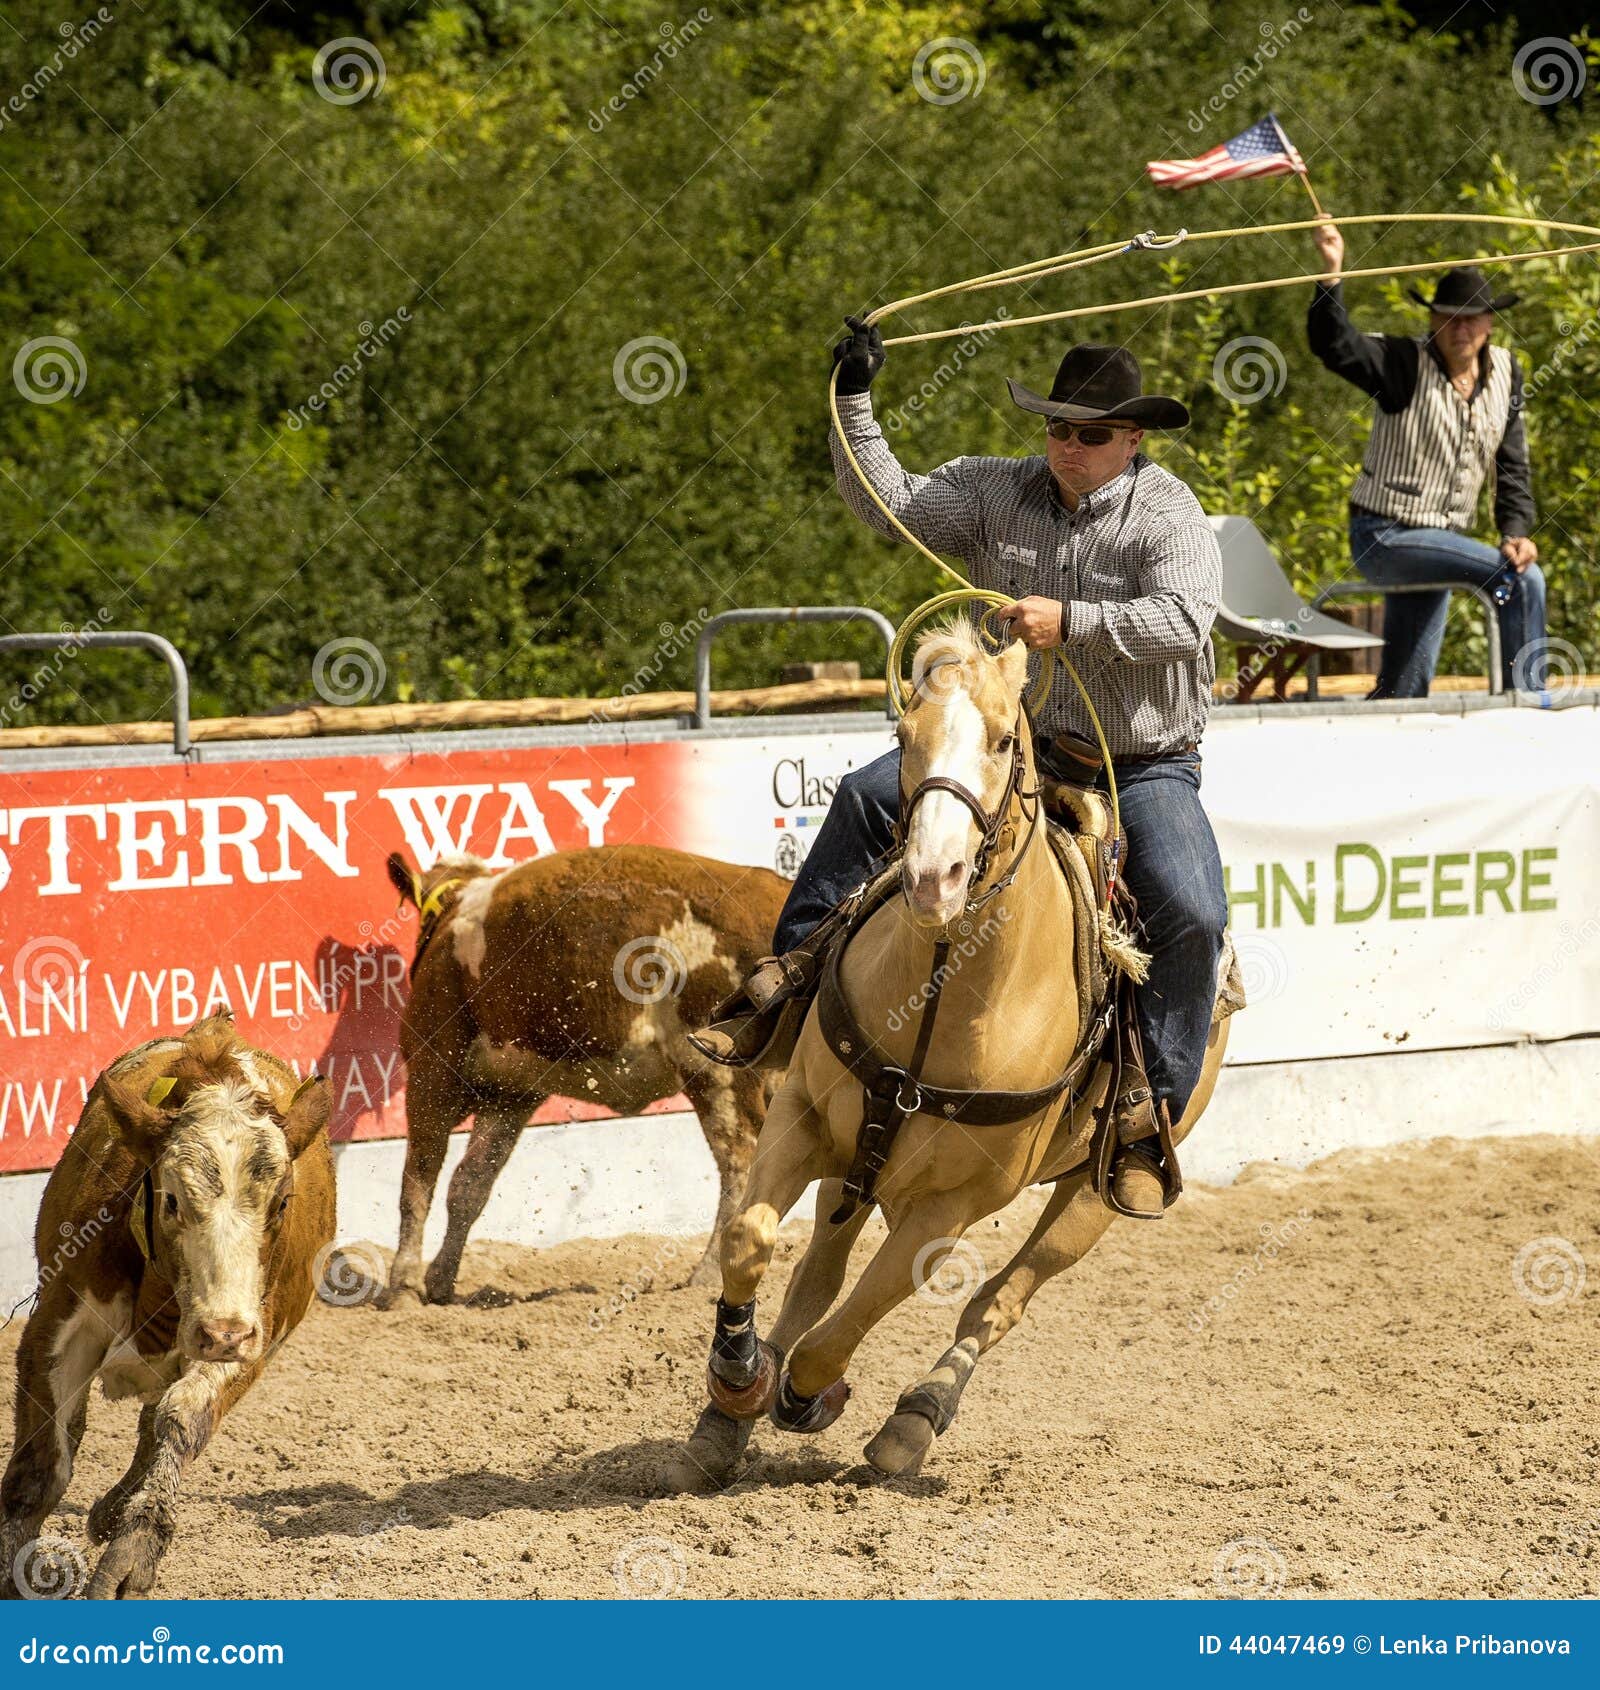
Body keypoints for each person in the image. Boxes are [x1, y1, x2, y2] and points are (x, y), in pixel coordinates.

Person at [770, 324, 1228, 1218]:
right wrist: (853, 398)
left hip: (1141, 764)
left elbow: (1186, 621)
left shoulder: (1168, 514)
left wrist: (1078, 622)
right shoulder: (994, 489)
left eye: (1092, 433)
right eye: (1059, 427)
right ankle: (785, 986)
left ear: (1134, 440)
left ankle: (1145, 1115)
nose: (1069, 445)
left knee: (1189, 905)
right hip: (1012, 745)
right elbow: (886, 501)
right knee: (869, 797)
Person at [1307, 226, 1546, 695]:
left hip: (1439, 544)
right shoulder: (1401, 362)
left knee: (1405, 686)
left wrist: (1515, 531)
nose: (1461, 328)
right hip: (1382, 536)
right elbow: (1335, 346)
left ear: (1490, 323)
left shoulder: (1506, 372)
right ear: (1433, 319)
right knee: (1521, 580)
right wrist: (1330, 274)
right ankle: (1528, 704)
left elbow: (1512, 464)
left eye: (1472, 319)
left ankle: (1389, 730)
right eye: (1450, 317)